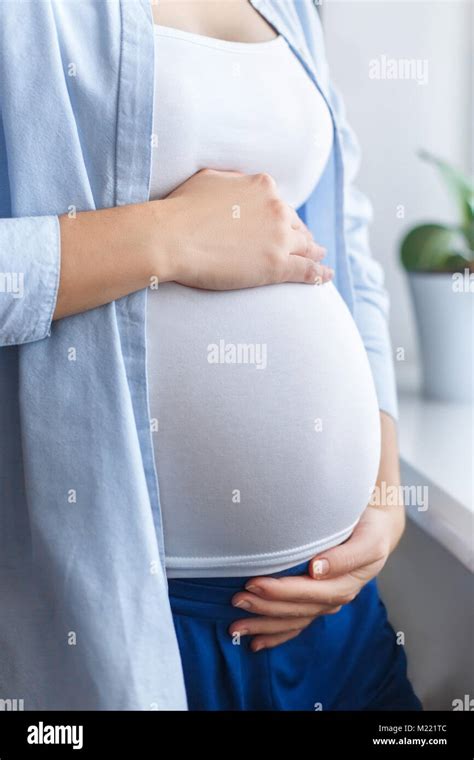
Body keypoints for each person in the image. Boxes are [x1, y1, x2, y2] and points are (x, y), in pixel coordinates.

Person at [0, 0, 421, 710]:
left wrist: (382, 493)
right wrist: (165, 237)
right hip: (137, 628)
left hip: (337, 614)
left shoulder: (294, 10)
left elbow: (345, 251)